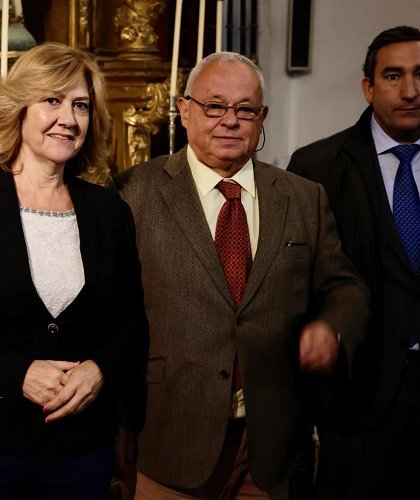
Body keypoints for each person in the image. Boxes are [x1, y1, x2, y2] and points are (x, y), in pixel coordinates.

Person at [114, 51, 370, 499]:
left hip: (269, 443)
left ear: (262, 116)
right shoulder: (133, 193)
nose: (230, 120)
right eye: (215, 106)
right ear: (185, 108)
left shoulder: (302, 197)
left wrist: (331, 326)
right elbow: (110, 315)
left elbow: (343, 285)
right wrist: (115, 420)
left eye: (245, 109)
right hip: (167, 437)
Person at [0, 42, 148, 500]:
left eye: (80, 105)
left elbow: (130, 320)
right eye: (52, 101)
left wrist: (99, 370)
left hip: (80, 447)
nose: (69, 118)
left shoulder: (108, 210)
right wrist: (17, 374)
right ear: (19, 109)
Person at [287, 26, 420, 499]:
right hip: (359, 399)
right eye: (393, 75)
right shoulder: (315, 168)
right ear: (368, 87)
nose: (411, 90)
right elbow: (298, 286)